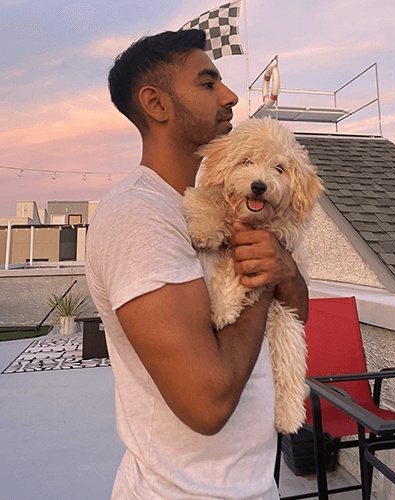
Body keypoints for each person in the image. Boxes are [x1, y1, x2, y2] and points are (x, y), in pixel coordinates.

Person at [85, 29, 308, 499]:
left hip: (251, 483)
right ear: (156, 104)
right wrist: (262, 281)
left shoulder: (227, 203)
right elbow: (206, 403)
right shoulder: (138, 217)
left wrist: (283, 268)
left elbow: (295, 315)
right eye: (208, 84)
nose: (230, 96)